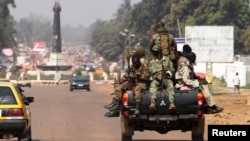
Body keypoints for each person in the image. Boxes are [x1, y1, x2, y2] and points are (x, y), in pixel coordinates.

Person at [104, 47, 150, 117]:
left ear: (139, 61)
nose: (135, 62)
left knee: (137, 89)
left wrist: (137, 76)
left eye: (136, 61)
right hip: (132, 82)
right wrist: (126, 76)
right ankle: (116, 105)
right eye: (133, 61)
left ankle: (137, 108)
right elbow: (126, 77)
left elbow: (146, 77)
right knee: (118, 88)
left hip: (141, 83)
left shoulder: (144, 67)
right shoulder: (132, 67)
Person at [148, 45, 176, 111]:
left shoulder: (167, 59)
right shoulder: (152, 62)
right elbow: (151, 72)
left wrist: (167, 73)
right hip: (156, 79)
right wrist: (157, 75)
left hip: (165, 78)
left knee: (170, 85)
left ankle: (172, 103)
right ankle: (153, 103)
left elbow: (172, 69)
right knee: (153, 86)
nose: (155, 53)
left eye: (156, 51)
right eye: (154, 52)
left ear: (160, 51)